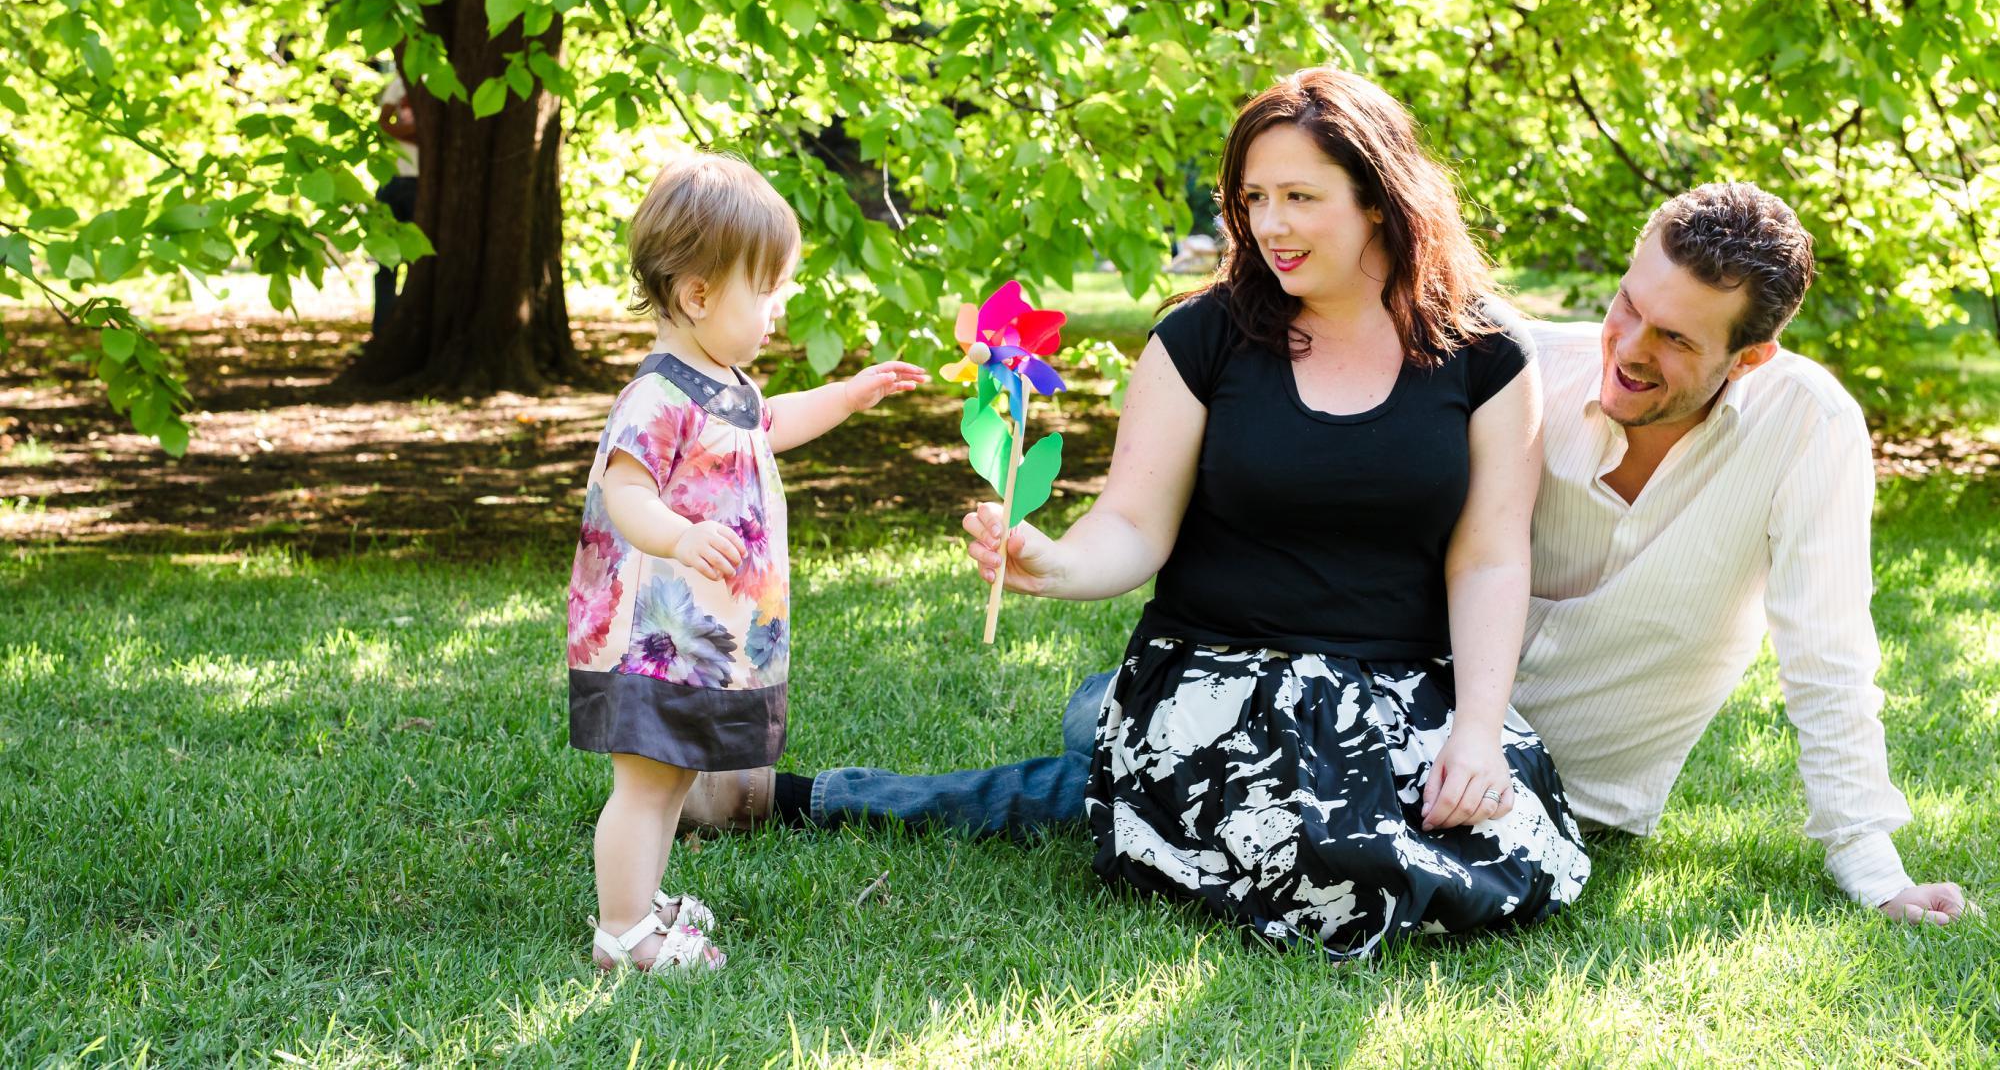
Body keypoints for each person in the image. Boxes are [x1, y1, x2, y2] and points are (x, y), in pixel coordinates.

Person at [686, 182, 1970, 928]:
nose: (1626, 345)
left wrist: (1869, 863)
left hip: (1546, 777)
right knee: (1157, 757)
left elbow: (1827, 653)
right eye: (1625, 300)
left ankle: (800, 793)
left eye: (1674, 341)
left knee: (1112, 785)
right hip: (1379, 704)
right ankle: (1069, 746)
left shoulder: (1805, 430)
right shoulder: (1532, 372)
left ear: (1750, 356)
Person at [565, 152, 928, 973]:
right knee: (648, 783)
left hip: (697, 642)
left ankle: (644, 903)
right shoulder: (658, 396)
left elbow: (773, 420)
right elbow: (627, 491)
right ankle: (622, 931)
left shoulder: (722, 384)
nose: (780, 306)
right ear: (697, 294)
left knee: (674, 773)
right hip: (648, 639)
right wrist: (678, 535)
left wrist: (849, 394)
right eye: (766, 290)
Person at [372, 72, 420, 337]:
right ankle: (383, 329)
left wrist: (408, 134)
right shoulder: (400, 82)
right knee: (386, 260)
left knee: (417, 259)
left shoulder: (438, 80)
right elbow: (384, 122)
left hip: (421, 180)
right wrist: (411, 133)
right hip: (391, 179)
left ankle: (410, 327)